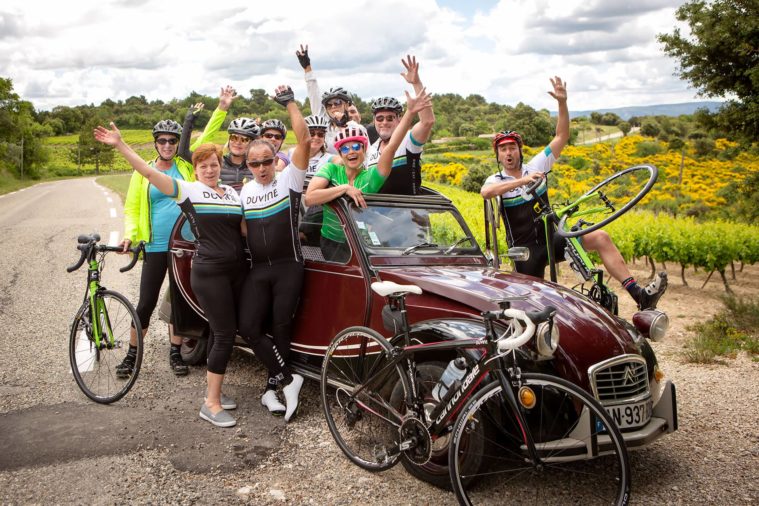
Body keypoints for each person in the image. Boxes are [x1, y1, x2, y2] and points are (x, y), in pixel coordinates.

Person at [95, 125, 246, 428]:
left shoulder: (230, 192)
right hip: (209, 271)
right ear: (196, 171)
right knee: (224, 333)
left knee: (218, 333)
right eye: (203, 166)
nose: (209, 169)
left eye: (214, 164)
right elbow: (149, 174)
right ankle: (211, 403)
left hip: (234, 271)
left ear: (220, 165)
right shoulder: (187, 190)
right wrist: (121, 145)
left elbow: (244, 228)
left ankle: (215, 390)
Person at [480, 77, 667, 310]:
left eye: (512, 147)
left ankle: (638, 294)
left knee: (601, 237)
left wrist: (562, 103)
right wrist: (522, 181)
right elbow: (486, 192)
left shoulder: (537, 165)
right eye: (503, 149)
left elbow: (561, 137)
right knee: (530, 302)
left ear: (520, 150)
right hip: (526, 249)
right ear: (498, 155)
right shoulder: (496, 179)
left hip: (553, 237)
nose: (508, 152)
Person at [238, 85, 310, 422]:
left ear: (274, 159)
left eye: (267, 161)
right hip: (259, 268)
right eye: (255, 164)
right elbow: (241, 227)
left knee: (281, 329)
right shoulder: (245, 190)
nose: (262, 168)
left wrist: (289, 103)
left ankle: (272, 389)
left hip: (288, 266)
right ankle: (288, 379)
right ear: (248, 165)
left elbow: (305, 140)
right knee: (250, 327)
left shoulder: (289, 180)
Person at [304, 89, 433, 262]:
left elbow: (392, 146)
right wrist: (345, 188)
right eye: (345, 148)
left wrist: (410, 112)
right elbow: (310, 198)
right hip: (331, 241)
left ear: (365, 150)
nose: (351, 152)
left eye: (357, 147)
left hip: (361, 241)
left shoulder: (371, 177)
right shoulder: (331, 169)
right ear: (340, 153)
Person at [116, 118, 194, 379]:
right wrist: (129, 235)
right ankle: (132, 354)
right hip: (155, 245)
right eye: (162, 140)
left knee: (180, 302)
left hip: (183, 246)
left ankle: (175, 352)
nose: (168, 145)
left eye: (172, 140)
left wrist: (220, 108)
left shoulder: (185, 168)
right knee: (146, 302)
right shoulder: (143, 172)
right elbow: (132, 208)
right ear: (155, 143)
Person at [365, 55, 436, 195]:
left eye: (390, 118)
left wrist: (416, 83)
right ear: (374, 121)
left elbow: (427, 122)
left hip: (409, 213)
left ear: (399, 120)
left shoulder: (408, 141)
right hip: (377, 214)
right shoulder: (370, 150)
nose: (384, 122)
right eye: (380, 118)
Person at [296, 44, 379, 149]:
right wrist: (307, 68)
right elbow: (314, 94)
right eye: (329, 105)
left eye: (337, 103)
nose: (333, 107)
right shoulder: (325, 127)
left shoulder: (357, 128)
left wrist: (344, 125)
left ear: (347, 105)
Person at [190, 86, 261, 192]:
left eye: (244, 139)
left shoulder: (258, 166)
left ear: (252, 142)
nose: (238, 142)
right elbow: (206, 137)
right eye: (234, 137)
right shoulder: (216, 163)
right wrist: (222, 108)